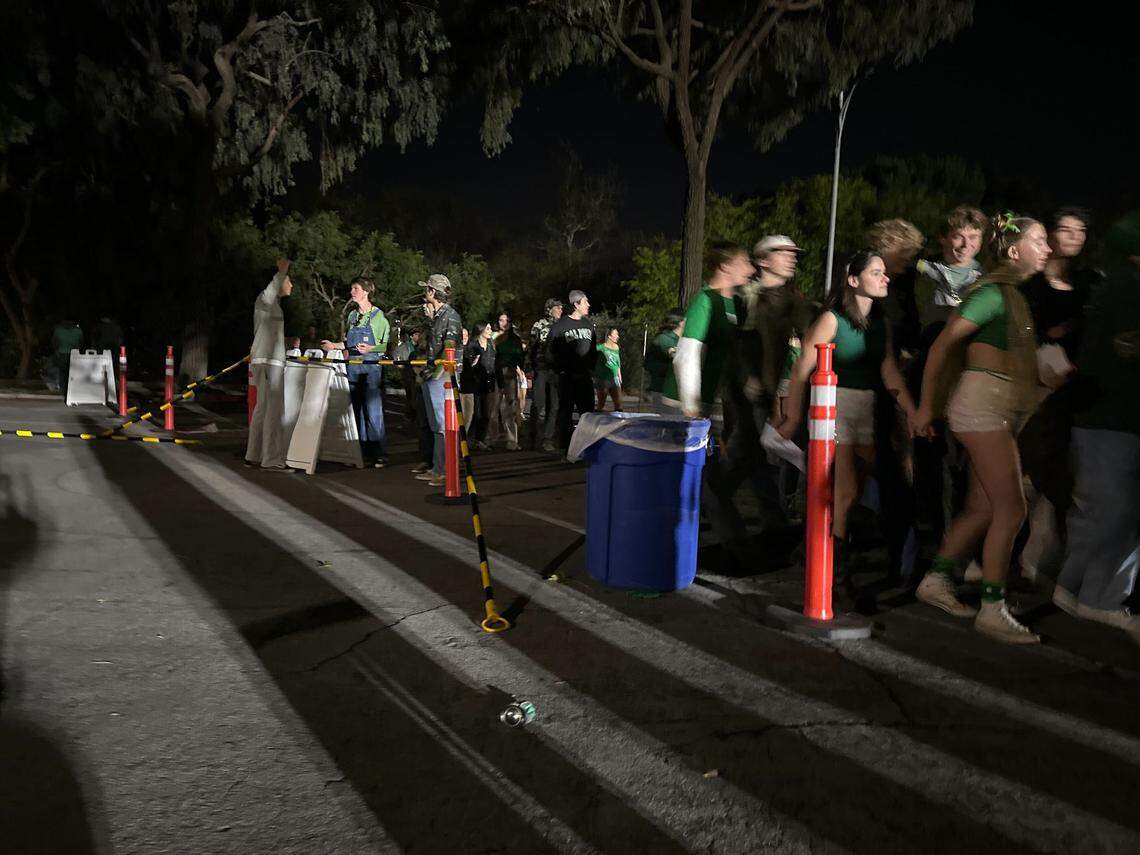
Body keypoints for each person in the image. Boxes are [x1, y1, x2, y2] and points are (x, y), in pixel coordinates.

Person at [912, 212, 1051, 644]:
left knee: (983, 507)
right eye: (1040, 240)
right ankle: (992, 609)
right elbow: (942, 348)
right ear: (1013, 251)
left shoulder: (1012, 296)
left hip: (996, 410)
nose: (1047, 249)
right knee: (1012, 509)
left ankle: (936, 580)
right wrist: (925, 409)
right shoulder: (991, 294)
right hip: (982, 409)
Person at [778, 251, 920, 601]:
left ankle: (821, 552)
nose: (886, 277)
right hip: (834, 407)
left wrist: (914, 412)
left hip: (870, 411)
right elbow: (802, 370)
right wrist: (793, 416)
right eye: (876, 272)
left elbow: (888, 369)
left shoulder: (881, 324)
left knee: (867, 492)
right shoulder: (832, 319)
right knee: (844, 494)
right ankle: (834, 578)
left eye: (885, 272)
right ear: (853, 280)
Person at [1054, 210, 1140, 643]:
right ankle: (1102, 599)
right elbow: (1127, 347)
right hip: (1117, 418)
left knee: (1097, 512)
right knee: (1118, 513)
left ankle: (1072, 590)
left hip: (1099, 417)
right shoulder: (1128, 288)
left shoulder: (1111, 286)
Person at [700, 238, 801, 563]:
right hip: (746, 398)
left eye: (793, 254)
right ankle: (738, 536)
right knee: (739, 468)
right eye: (783, 253)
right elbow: (733, 343)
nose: (791, 259)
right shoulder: (746, 297)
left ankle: (772, 531)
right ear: (763, 260)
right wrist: (747, 379)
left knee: (758, 466)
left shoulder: (791, 297)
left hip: (766, 397)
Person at [1018, 207, 1101, 588]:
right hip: (1034, 383)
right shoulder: (1032, 282)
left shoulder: (1089, 282)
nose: (1072, 237)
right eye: (1064, 229)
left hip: (1073, 388)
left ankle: (1038, 559)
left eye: (1079, 231)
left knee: (1058, 473)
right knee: (1029, 472)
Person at [911, 206, 987, 554]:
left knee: (962, 469)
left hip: (966, 384)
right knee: (927, 466)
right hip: (925, 380)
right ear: (943, 237)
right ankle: (927, 548)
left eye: (973, 237)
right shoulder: (922, 277)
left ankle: (958, 551)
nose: (964, 244)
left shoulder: (985, 279)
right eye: (958, 235)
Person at [867, 219, 926, 586]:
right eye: (905, 252)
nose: (910, 260)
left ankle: (903, 562)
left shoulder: (900, 286)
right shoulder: (870, 285)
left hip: (889, 391)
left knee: (893, 481)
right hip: (872, 394)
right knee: (887, 480)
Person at [664, 242, 754, 419]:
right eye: (744, 262)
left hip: (707, 399)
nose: (751, 269)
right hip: (682, 404)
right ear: (725, 266)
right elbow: (686, 355)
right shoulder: (705, 300)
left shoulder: (737, 303)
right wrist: (690, 405)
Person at [320, 278, 390, 467]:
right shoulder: (352, 316)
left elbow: (385, 345)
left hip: (371, 368)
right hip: (352, 367)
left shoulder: (378, 317)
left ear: (366, 292)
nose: (352, 291)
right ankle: (361, 453)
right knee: (356, 410)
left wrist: (371, 349)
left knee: (373, 411)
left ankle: (379, 454)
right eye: (352, 288)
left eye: (355, 288)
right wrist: (334, 345)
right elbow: (348, 344)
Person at [246, 258, 294, 470]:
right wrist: (281, 272)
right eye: (288, 280)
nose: (290, 285)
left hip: (264, 360)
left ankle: (253, 455)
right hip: (269, 363)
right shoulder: (264, 300)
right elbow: (270, 291)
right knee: (272, 410)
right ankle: (272, 459)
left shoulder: (272, 306)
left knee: (262, 408)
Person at [417, 274, 463, 486]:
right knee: (437, 425)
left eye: (426, 289)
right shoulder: (438, 316)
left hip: (442, 376)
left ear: (433, 292)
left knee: (443, 425)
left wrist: (435, 375)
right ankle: (437, 467)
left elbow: (449, 348)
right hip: (434, 375)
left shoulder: (450, 316)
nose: (424, 293)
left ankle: (442, 470)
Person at [549, 289, 598, 457]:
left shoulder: (588, 325)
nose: (588, 305)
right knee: (565, 414)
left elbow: (593, 351)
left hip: (584, 377)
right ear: (576, 304)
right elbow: (551, 351)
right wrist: (559, 371)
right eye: (585, 302)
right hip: (567, 378)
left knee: (588, 414)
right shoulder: (560, 326)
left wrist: (591, 368)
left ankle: (586, 448)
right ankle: (566, 450)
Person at [529, 298, 564, 451]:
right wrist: (529, 369)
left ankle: (547, 438)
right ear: (549, 309)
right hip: (541, 369)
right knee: (538, 403)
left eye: (561, 308)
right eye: (557, 308)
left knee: (554, 405)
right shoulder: (539, 325)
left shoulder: (563, 326)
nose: (560, 310)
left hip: (556, 371)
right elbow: (531, 347)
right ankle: (533, 436)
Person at [490, 311, 524, 450]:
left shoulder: (515, 339)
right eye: (501, 320)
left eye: (506, 320)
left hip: (509, 374)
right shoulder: (492, 336)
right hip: (494, 374)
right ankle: (492, 438)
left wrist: (518, 369)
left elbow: (519, 357)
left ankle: (512, 439)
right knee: (493, 407)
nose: (504, 323)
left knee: (510, 407)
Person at [462, 322, 497, 449]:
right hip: (475, 384)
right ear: (480, 330)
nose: (490, 330)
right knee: (475, 414)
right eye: (487, 328)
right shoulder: (472, 347)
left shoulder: (492, 346)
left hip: (489, 384)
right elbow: (467, 366)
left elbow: (495, 364)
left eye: (490, 328)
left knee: (487, 413)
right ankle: (468, 440)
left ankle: (480, 440)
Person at [644, 311, 683, 413]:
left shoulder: (682, 340)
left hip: (675, 392)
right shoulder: (663, 340)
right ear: (681, 322)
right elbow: (648, 364)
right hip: (662, 391)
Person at [51, 319, 83, 399]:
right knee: (72, 372)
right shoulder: (78, 331)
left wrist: (56, 351)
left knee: (62, 372)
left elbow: (55, 342)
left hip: (62, 353)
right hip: (74, 354)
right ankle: (71, 389)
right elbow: (81, 341)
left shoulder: (58, 330)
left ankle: (63, 389)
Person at [594, 327, 623, 411]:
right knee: (601, 404)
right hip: (603, 378)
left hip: (615, 378)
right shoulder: (601, 347)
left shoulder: (616, 347)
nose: (618, 336)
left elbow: (618, 361)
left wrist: (619, 374)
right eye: (616, 334)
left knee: (618, 404)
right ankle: (596, 422)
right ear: (609, 336)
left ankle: (618, 421)